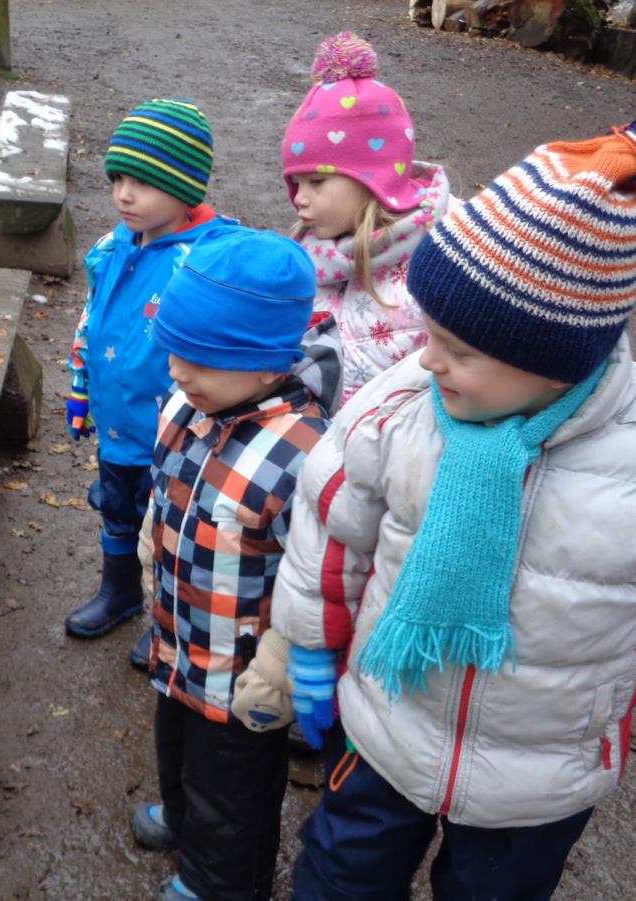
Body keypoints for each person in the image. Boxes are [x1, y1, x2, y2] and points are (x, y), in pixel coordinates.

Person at [270, 121, 636, 900]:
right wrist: (308, 644)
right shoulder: (404, 404)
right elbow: (334, 523)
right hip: (385, 724)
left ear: (556, 358)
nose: (427, 358)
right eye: (430, 334)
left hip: (538, 774)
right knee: (338, 877)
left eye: (459, 349)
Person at [129, 228, 342, 901]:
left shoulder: (305, 453)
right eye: (175, 354)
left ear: (266, 364)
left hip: (243, 668)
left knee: (236, 789)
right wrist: (145, 551)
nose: (179, 372)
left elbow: (318, 568)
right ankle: (186, 819)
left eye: (200, 360)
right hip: (176, 639)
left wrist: (284, 658)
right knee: (176, 749)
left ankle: (224, 880)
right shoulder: (187, 406)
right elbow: (162, 495)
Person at [66, 98, 236, 663]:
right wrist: (80, 385)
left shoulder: (205, 258)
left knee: (169, 525)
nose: (123, 195)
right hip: (118, 426)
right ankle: (118, 594)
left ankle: (167, 615)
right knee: (117, 509)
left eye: (143, 182)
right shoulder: (112, 247)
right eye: (118, 178)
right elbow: (91, 319)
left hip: (175, 433)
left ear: (185, 186)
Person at [281, 32, 457, 405]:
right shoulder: (307, 253)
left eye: (316, 181)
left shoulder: (445, 253)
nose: (300, 199)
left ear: (372, 178)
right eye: (295, 183)